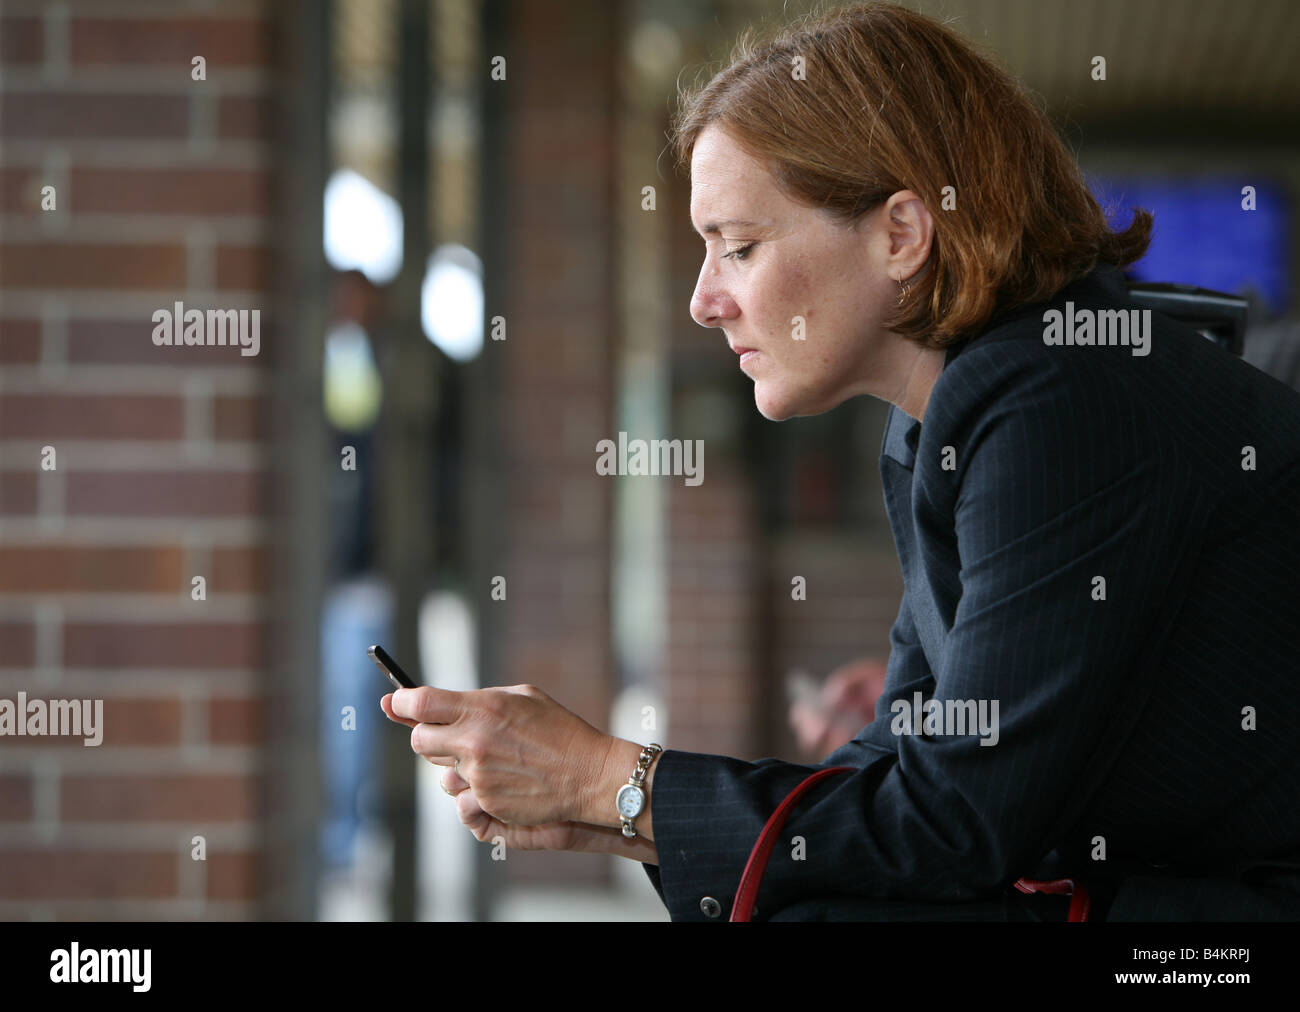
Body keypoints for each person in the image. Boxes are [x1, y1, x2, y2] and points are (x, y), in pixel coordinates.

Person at [380, 2, 1300, 920]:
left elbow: (954, 825)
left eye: (738, 247)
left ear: (901, 234)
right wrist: (612, 816)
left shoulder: (1059, 396)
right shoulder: (951, 412)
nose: (705, 301)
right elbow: (900, 767)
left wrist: (608, 779)